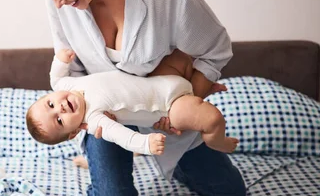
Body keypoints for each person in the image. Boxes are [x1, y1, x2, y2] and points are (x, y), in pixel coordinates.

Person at [18, 0, 246, 196]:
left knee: (231, 194)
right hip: (104, 121)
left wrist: (183, 105)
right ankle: (99, 177)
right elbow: (69, 73)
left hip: (163, 107)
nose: (58, 4)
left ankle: (172, 163)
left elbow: (214, 50)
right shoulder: (61, 4)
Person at [26, 48, 239, 155]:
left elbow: (55, 78)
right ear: (73, 133)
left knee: (178, 56)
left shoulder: (66, 86)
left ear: (49, 96)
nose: (60, 108)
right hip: (169, 106)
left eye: (51, 105)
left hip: (160, 79)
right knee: (211, 118)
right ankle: (216, 141)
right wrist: (144, 144)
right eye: (60, 121)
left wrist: (61, 60)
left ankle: (198, 88)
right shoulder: (94, 121)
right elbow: (121, 136)